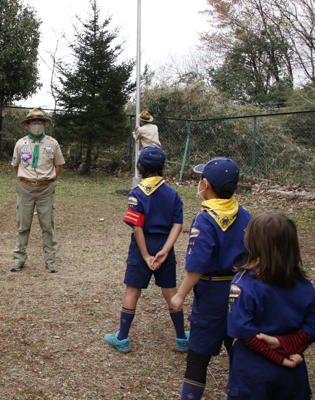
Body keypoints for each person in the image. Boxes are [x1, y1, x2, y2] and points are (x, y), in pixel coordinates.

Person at [170, 157, 252, 400]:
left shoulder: (205, 219)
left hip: (212, 295)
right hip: (242, 292)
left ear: (205, 183)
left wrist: (180, 293)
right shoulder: (246, 215)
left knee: (198, 355)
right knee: (240, 352)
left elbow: (198, 264)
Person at [104, 145, 187, 353]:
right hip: (165, 247)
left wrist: (146, 255)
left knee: (132, 292)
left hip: (142, 248)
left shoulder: (137, 193)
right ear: (164, 167)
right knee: (171, 293)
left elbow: (137, 226)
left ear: (139, 166)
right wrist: (165, 251)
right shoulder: (173, 194)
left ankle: (122, 338)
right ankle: (181, 338)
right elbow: (178, 224)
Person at [226, 213, 315, 399]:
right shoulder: (305, 285)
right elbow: (312, 324)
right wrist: (287, 346)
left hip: (253, 372)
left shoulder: (244, 283)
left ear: (255, 243)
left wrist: (279, 358)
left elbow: (243, 330)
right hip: (293, 369)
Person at [10, 108, 65, 273]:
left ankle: (50, 260)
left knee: (47, 225)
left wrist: (48, 182)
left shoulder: (52, 143)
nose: (37, 125)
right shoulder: (20, 144)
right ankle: (19, 258)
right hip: (25, 188)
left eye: (40, 122)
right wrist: (27, 179)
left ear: (45, 125)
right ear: (27, 126)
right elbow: (16, 166)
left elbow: (58, 165)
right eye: (33, 122)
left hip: (46, 189)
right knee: (23, 225)